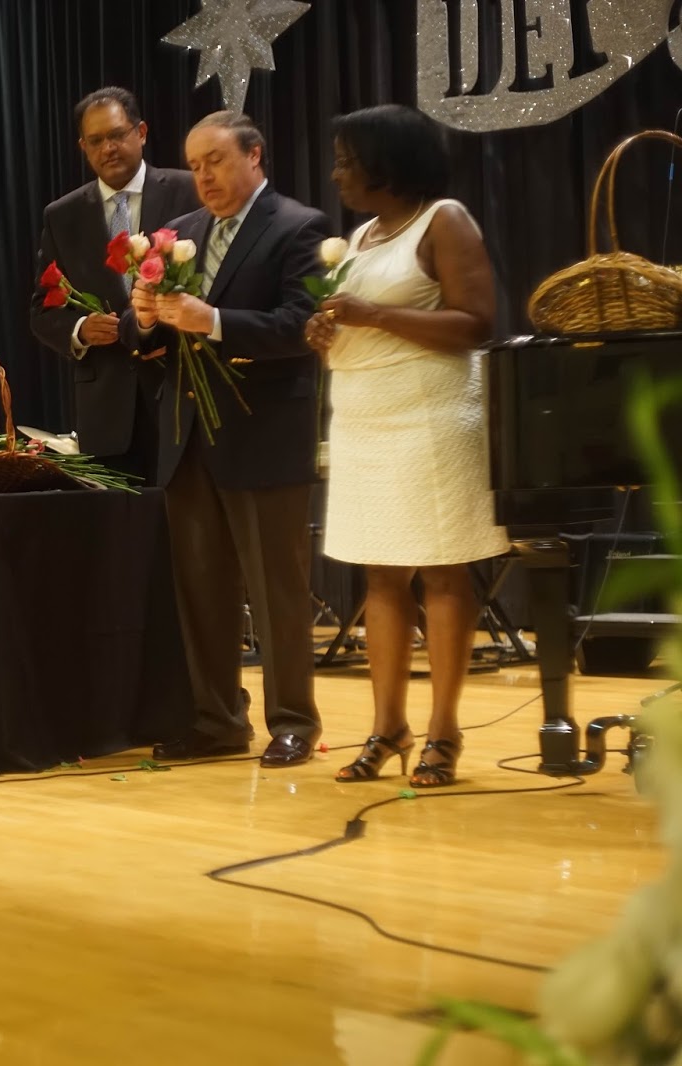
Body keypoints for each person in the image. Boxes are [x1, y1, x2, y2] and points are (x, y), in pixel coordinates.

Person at [304, 104, 507, 788]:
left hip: (430, 414)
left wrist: (372, 316)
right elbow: (363, 319)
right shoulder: (361, 235)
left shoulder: (444, 219)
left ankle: (444, 733)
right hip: (365, 415)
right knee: (381, 572)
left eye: (346, 159)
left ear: (387, 162)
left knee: (442, 569)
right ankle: (387, 726)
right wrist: (331, 331)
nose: (336, 171)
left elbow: (477, 322)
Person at [120, 111, 329, 768]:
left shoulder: (299, 227)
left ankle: (293, 721)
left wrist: (213, 321)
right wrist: (145, 319)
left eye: (214, 160)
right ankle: (216, 718)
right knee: (201, 590)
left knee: (276, 591)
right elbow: (141, 340)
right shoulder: (180, 233)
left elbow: (302, 325)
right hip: (188, 439)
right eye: (194, 163)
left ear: (254, 155)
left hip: (262, 434)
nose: (202, 175)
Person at [31, 87, 200, 477]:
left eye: (117, 135)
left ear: (141, 132)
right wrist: (79, 330)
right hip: (105, 412)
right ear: (83, 147)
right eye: (96, 141)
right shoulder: (63, 215)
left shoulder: (189, 190)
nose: (108, 148)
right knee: (120, 532)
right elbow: (41, 310)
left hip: (180, 393)